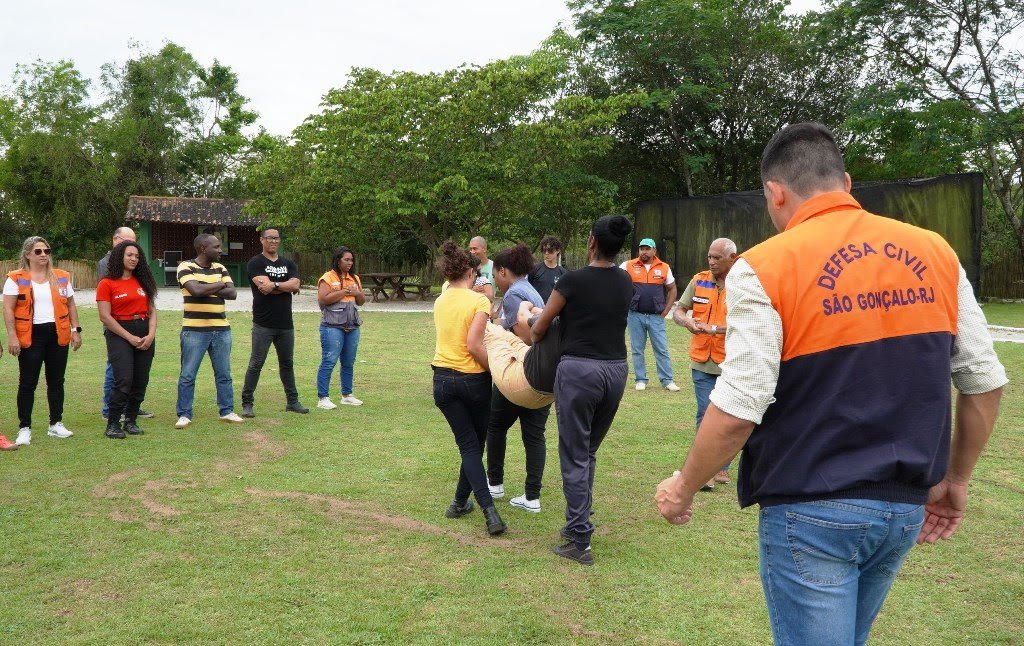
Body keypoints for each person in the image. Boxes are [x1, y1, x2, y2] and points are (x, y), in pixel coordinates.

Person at [655, 122, 1007, 645]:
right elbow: (984, 382)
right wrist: (955, 482)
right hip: (903, 507)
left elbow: (737, 408)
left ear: (775, 193)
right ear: (846, 181)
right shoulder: (934, 251)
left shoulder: (765, 266)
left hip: (812, 506)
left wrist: (683, 487)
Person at [532, 215, 634, 565]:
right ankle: (578, 522)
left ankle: (579, 539)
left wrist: (537, 326)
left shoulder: (572, 281)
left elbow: (540, 327)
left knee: (575, 453)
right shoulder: (625, 281)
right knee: (587, 452)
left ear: (591, 241)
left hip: (579, 371)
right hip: (616, 371)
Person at [432, 241, 506, 536]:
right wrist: (498, 369)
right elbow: (474, 345)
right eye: (476, 273)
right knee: (472, 446)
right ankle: (490, 511)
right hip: (472, 380)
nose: (478, 278)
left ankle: (460, 502)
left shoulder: (441, 299)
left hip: (441, 380)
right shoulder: (479, 302)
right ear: (468, 271)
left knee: (470, 446)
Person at [485, 244, 551, 513]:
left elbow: (523, 337)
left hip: (520, 371)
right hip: (543, 372)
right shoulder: (530, 289)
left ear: (502, 271)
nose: (493, 280)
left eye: (495, 275)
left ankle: (495, 483)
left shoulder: (514, 295)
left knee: (496, 426)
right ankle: (532, 497)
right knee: (535, 435)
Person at [3, 236, 83, 446]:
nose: (44, 255)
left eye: (47, 251)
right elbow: (8, 309)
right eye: (38, 251)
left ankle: (55, 423)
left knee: (56, 381)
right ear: (27, 254)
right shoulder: (15, 278)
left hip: (58, 333)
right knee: (28, 382)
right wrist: (12, 336)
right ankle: (24, 428)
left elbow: (71, 304)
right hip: (31, 335)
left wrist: (76, 330)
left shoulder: (61, 276)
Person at [672, 238, 738, 491]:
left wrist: (719, 329)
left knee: (730, 416)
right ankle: (707, 472)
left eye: (716, 258)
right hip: (702, 361)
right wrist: (685, 321)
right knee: (706, 413)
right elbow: (679, 309)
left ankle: (722, 467)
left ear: (732, 258)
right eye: (709, 257)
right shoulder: (699, 280)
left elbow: (752, 319)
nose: (710, 262)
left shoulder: (743, 285)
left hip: (731, 362)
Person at [174, 234, 245, 428]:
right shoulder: (185, 267)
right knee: (188, 374)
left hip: (221, 330)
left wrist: (205, 287)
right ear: (203, 248)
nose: (220, 250)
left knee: (224, 373)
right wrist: (220, 284)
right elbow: (195, 291)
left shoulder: (220, 267)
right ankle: (184, 414)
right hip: (194, 331)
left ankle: (227, 411)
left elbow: (232, 294)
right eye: (216, 247)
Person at [241, 228, 308, 417]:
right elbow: (264, 287)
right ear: (261, 240)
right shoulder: (255, 263)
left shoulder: (288, 263)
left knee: (287, 363)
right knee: (256, 363)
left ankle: (292, 402)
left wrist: (276, 285)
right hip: (263, 323)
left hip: (286, 324)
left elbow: (295, 284)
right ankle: (247, 403)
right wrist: (284, 287)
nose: (274, 241)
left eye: (276, 238)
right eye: (270, 238)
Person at [96, 241, 158, 439]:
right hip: (119, 332)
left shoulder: (143, 281)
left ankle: (131, 421)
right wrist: (130, 337)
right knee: (124, 379)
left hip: (144, 330)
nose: (133, 259)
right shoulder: (107, 283)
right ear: (119, 257)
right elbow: (105, 316)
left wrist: (150, 335)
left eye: (137, 256)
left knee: (141, 380)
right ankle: (113, 424)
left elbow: (152, 311)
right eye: (129, 255)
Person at [620, 238, 679, 391]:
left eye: (647, 249)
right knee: (637, 349)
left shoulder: (664, 267)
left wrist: (666, 310)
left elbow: (672, 289)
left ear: (654, 251)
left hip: (656, 316)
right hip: (635, 315)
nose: (643, 252)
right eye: (641, 249)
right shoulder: (628, 265)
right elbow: (615, 280)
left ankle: (667, 380)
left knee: (661, 349)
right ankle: (641, 379)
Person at [316, 246, 366, 409]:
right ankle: (323, 398)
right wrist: (345, 291)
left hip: (352, 326)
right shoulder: (327, 278)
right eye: (346, 259)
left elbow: (361, 301)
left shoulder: (355, 278)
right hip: (332, 326)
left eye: (351, 260)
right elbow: (324, 299)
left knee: (348, 361)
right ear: (338, 260)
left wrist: (357, 293)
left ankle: (347, 395)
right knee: (329, 360)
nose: (350, 263)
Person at [528, 235, 567, 302]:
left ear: (558, 250)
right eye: (544, 250)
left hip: (555, 311)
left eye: (550, 250)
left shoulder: (563, 273)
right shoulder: (534, 269)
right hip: (536, 309)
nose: (546, 253)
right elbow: (528, 289)